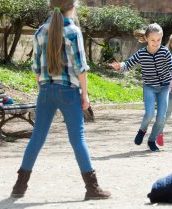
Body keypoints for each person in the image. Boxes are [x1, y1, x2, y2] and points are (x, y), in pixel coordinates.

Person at [10, 0, 110, 200]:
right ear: (73, 7)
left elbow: (36, 69)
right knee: (77, 139)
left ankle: (19, 187)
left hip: (45, 90)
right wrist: (85, 94)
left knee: (37, 137)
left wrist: (46, 89)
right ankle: (92, 187)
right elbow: (81, 67)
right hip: (68, 91)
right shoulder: (73, 31)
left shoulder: (40, 31)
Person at [110, 23, 172, 152]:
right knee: (149, 114)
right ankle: (142, 130)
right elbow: (129, 64)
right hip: (149, 87)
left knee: (161, 117)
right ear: (146, 38)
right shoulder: (141, 53)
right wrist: (121, 66)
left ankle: (152, 140)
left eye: (159, 40)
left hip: (164, 87)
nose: (156, 42)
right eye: (153, 40)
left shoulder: (165, 52)